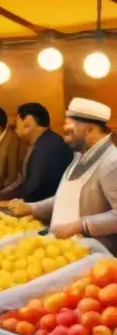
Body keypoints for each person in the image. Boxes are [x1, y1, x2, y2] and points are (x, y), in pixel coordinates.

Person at [10, 98, 117, 250]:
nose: (65, 136)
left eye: (70, 130)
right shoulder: (79, 156)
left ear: (89, 130)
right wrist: (32, 208)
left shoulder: (112, 161)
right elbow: (65, 199)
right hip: (63, 249)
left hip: (94, 255)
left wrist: (82, 225)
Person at [0, 102, 73, 202]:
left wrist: (2, 199)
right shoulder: (44, 141)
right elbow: (25, 182)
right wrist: (0, 196)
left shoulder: (48, 147)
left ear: (28, 122)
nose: (15, 126)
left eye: (17, 121)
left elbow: (34, 190)